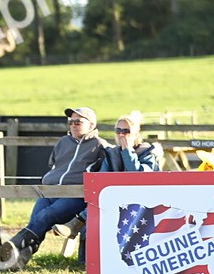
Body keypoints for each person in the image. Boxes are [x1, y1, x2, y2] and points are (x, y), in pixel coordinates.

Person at [0, 106, 108, 269]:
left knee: (45, 216)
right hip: (50, 191)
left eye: (78, 121)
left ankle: (14, 244)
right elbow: (54, 164)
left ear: (91, 125)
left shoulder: (100, 146)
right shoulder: (63, 142)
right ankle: (21, 258)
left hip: (75, 195)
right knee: (36, 220)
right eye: (71, 121)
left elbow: (108, 169)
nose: (73, 124)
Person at [55, 111, 162, 259]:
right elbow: (102, 180)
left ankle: (77, 222)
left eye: (126, 131)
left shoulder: (148, 153)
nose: (121, 134)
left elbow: (137, 177)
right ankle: (86, 258)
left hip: (141, 200)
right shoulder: (112, 153)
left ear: (136, 133)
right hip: (114, 200)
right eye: (118, 130)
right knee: (95, 212)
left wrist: (128, 151)